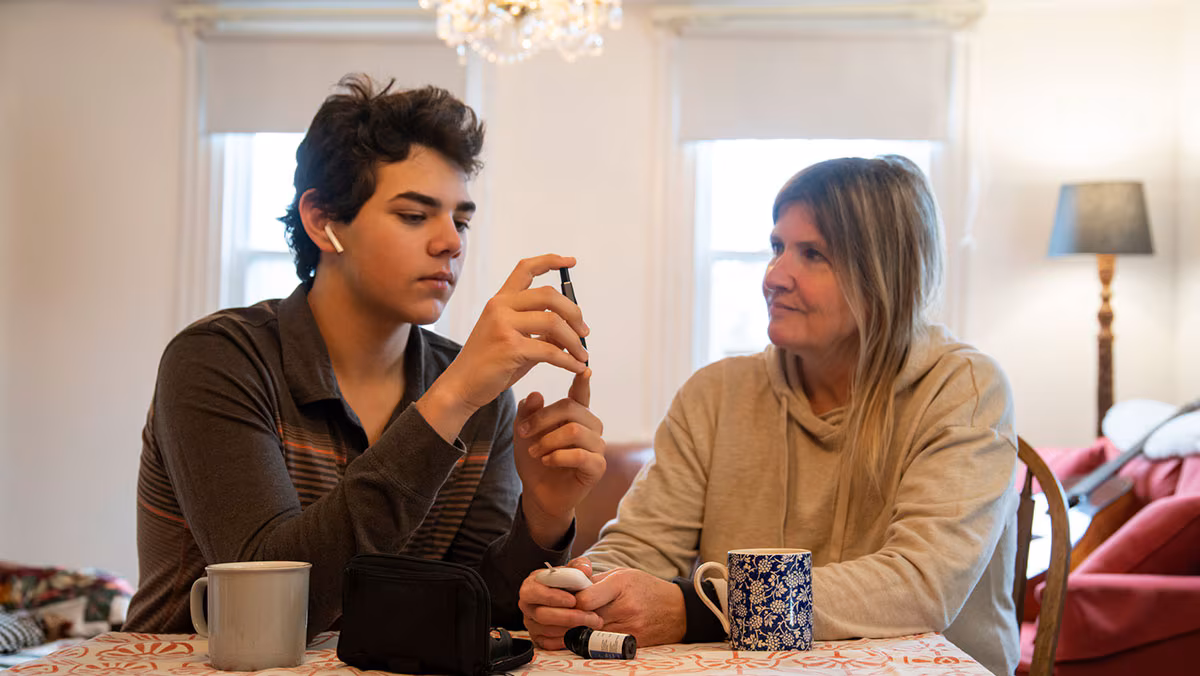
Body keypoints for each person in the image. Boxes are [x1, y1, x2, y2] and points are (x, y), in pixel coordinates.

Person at [124, 74, 606, 636]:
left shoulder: (482, 400)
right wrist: (452, 397)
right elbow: (270, 607)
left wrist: (544, 516)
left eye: (461, 220)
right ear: (322, 221)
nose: (452, 242)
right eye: (414, 215)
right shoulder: (217, 360)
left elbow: (479, 609)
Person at [519, 156, 1019, 675]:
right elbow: (641, 546)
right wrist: (580, 592)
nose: (775, 276)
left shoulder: (964, 389)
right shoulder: (715, 394)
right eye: (778, 247)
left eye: (813, 254)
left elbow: (919, 584)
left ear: (886, 274)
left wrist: (700, 609)